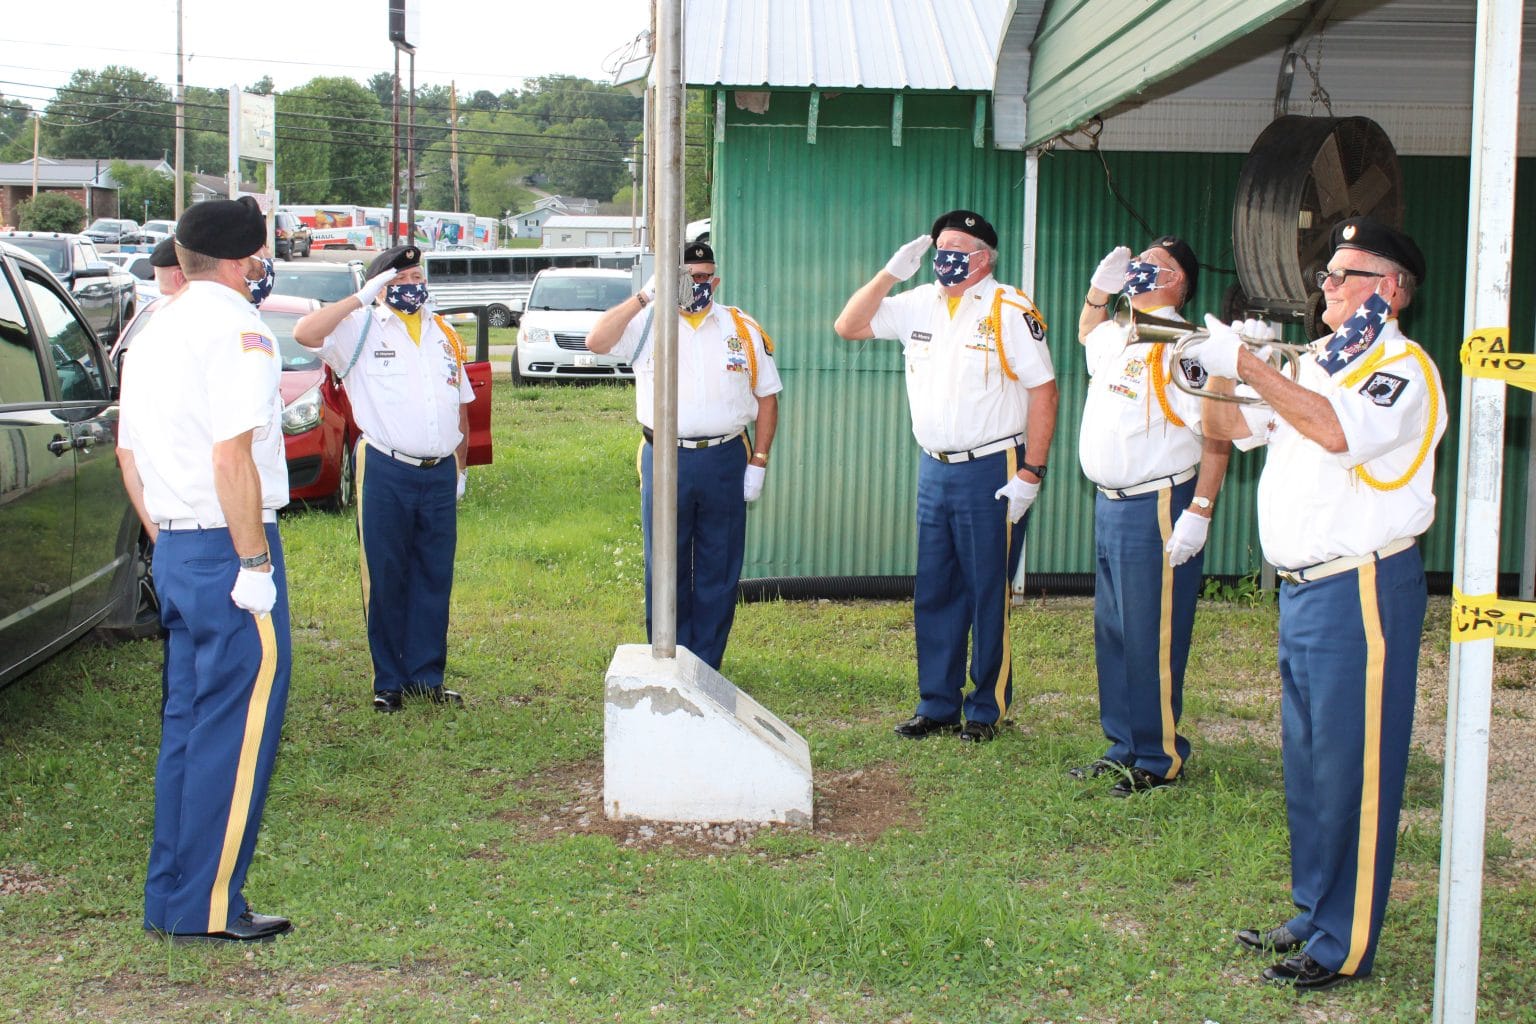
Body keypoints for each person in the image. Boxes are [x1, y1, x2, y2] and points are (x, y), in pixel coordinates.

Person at [1189, 217, 1446, 991]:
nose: (1326, 287)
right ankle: (1314, 910)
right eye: (1327, 274)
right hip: (1306, 591)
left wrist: (1253, 367)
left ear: (1389, 290)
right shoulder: (1322, 364)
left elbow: (1335, 432)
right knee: (1308, 765)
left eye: (1344, 274)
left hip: (1361, 586)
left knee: (1354, 769)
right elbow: (1231, 429)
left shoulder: (1398, 367)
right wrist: (1216, 372)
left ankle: (1344, 941)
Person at [116, 196, 294, 944]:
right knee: (235, 726)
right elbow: (232, 454)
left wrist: (174, 536)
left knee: (188, 726)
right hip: (228, 544)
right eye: (259, 254)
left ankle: (174, 896)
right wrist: (252, 559)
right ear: (242, 259)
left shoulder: (159, 325)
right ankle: (209, 907)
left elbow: (130, 450)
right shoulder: (237, 326)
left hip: (181, 540)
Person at [833, 210, 1058, 743]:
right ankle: (937, 704)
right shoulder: (919, 302)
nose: (945, 257)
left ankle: (986, 709)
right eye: (939, 247)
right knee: (935, 589)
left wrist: (1032, 471)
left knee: (987, 590)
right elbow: (849, 326)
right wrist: (890, 274)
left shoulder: (1009, 308)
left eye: (958, 247)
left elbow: (1043, 391)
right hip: (935, 468)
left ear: (984, 257)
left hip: (993, 468)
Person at [1071, 236, 1230, 795]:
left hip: (1159, 505)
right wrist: (1099, 289)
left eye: (1150, 266)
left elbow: (1217, 433)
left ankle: (1159, 757)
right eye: (1135, 262)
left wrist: (1201, 510)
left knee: (1151, 635)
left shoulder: (1184, 346)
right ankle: (1123, 746)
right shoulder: (1121, 334)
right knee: (1114, 632)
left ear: (1177, 282)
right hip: (1111, 504)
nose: (1137, 269)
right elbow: (1087, 333)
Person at [292, 245, 475, 712]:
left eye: (417, 274)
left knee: (434, 576)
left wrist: (460, 469)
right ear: (381, 287)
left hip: (437, 473)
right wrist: (361, 298)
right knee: (387, 573)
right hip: (387, 467)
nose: (413, 284)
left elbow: (459, 407)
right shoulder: (359, 328)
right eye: (400, 278)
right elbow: (304, 332)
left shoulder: (444, 332)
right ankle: (389, 681)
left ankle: (426, 677)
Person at [584, 241, 781, 671]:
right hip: (665, 455)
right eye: (689, 276)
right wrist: (645, 296)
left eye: (706, 276)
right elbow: (596, 341)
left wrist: (759, 460)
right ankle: (668, 658)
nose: (698, 284)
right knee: (665, 563)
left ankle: (707, 665)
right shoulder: (648, 321)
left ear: (718, 280)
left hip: (726, 456)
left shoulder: (740, 328)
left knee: (719, 563)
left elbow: (767, 397)